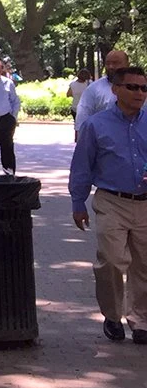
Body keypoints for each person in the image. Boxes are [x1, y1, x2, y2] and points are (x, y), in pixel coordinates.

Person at [68, 65, 147, 342]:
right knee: (112, 261)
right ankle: (113, 316)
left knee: (144, 265)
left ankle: (141, 321)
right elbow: (82, 167)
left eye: (143, 88)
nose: (139, 93)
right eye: (132, 87)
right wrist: (78, 202)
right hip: (112, 201)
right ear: (115, 90)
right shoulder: (96, 125)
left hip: (145, 203)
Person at [74, 50, 129, 139]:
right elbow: (83, 117)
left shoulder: (140, 88)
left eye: (115, 63)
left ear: (127, 64)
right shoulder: (93, 89)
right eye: (107, 63)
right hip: (104, 145)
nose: (111, 67)